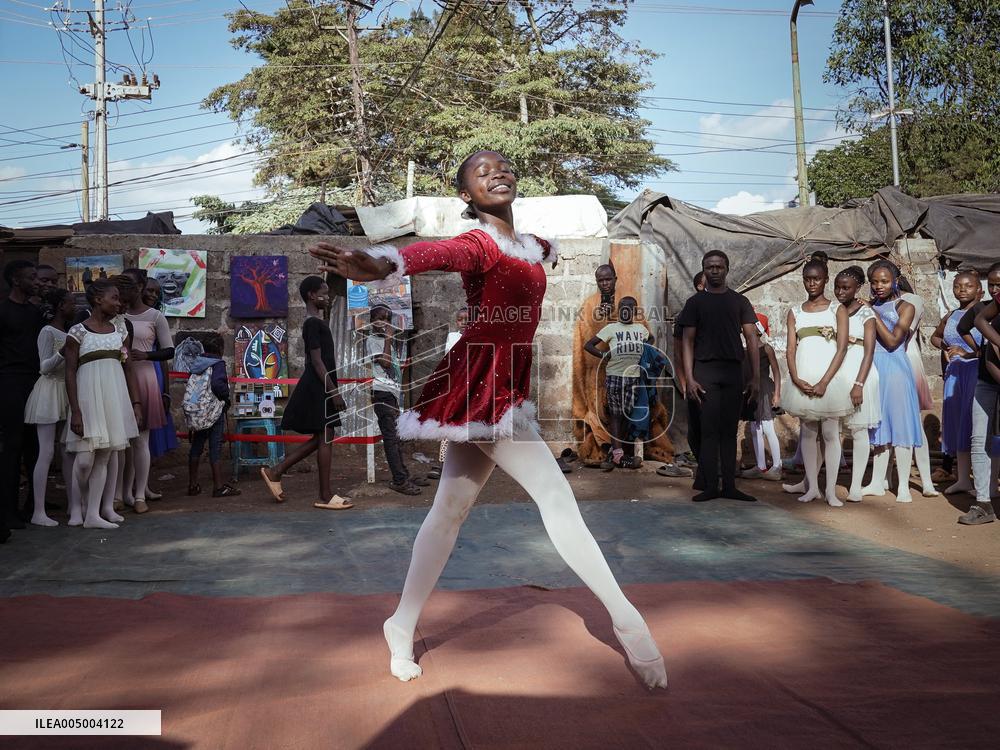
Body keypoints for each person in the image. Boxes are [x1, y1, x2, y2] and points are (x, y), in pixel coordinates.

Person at [309, 149, 667, 689]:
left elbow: (539, 256)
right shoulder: (479, 242)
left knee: (449, 511)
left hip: (502, 380)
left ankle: (400, 624)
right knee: (554, 497)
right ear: (465, 195)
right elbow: (437, 251)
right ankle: (627, 621)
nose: (495, 173)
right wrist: (384, 263)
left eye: (502, 166)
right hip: (482, 381)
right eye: (480, 172)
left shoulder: (531, 247)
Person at [260, 276, 352, 510]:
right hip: (319, 386)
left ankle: (276, 471)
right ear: (311, 295)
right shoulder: (312, 323)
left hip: (321, 385)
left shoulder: (317, 322)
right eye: (324, 292)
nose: (328, 296)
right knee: (325, 437)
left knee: (321, 438)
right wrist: (334, 392)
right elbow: (317, 362)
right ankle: (325, 495)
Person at [572, 264, 675, 469]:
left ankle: (627, 450)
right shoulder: (589, 306)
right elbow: (583, 342)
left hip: (630, 373)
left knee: (632, 412)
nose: (605, 284)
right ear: (597, 282)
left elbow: (644, 333)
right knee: (607, 414)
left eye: (608, 279)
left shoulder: (628, 303)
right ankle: (610, 451)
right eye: (601, 281)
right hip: (600, 374)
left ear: (615, 279)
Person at [679, 250, 760, 503]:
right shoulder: (695, 303)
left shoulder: (740, 301)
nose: (714, 270)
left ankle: (730, 486)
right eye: (710, 267)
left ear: (727, 269)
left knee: (728, 431)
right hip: (705, 372)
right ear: (704, 270)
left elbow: (751, 338)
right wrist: (689, 378)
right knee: (709, 431)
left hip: (733, 371)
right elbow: (687, 341)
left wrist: (755, 376)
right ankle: (711, 485)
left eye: (719, 267)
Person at [63, 280, 142, 529]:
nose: (119, 303)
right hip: (88, 400)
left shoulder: (120, 331)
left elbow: (129, 370)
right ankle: (78, 504)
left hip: (113, 398)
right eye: (114, 298)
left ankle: (94, 514)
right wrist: (76, 410)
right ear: (98, 300)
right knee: (84, 459)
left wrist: (136, 404)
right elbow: (69, 373)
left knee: (104, 458)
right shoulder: (77, 332)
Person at [780, 254, 853, 506]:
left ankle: (831, 490)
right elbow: (790, 349)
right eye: (807, 279)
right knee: (808, 434)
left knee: (831, 433)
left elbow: (842, 348)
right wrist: (796, 378)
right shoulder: (794, 312)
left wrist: (824, 381)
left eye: (817, 279)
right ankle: (812, 487)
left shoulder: (837, 309)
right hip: (804, 377)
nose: (812, 284)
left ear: (825, 280)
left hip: (829, 379)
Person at [860, 260, 924, 503]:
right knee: (878, 427)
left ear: (895, 279)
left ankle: (904, 486)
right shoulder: (868, 305)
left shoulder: (904, 306)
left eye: (884, 281)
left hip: (896, 369)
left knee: (901, 427)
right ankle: (877, 482)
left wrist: (871, 312)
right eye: (874, 282)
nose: (879, 286)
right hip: (874, 369)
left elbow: (892, 341)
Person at [117, 271, 175, 513]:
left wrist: (146, 355)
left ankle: (140, 494)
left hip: (145, 376)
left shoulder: (155, 316)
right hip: (118, 377)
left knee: (141, 441)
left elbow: (169, 350)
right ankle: (120, 493)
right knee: (120, 442)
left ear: (139, 287)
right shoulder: (116, 315)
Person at [24, 289, 78, 526]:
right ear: (60, 306)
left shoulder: (67, 332)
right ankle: (38, 511)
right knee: (46, 451)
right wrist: (61, 352)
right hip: (48, 391)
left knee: (67, 451)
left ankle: (74, 505)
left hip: (64, 392)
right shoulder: (47, 331)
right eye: (70, 303)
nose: (74, 307)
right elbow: (44, 367)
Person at [831, 266, 881, 502]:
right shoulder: (832, 311)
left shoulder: (866, 314)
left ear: (858, 288)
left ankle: (856, 486)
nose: (840, 291)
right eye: (837, 287)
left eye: (846, 287)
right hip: (836, 374)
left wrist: (859, 383)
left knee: (859, 430)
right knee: (830, 428)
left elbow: (869, 352)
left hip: (860, 373)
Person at [0, 260, 43, 540]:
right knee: (12, 447)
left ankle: (33, 507)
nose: (37, 281)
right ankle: (7, 511)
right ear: (16, 280)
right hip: (9, 382)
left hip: (34, 381)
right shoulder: (2, 310)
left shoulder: (35, 312)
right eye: (31, 277)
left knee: (35, 446)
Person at [955, 262, 1000, 524]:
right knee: (979, 437)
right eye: (992, 284)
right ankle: (983, 502)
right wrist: (993, 343)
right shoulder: (988, 306)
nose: (995, 289)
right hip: (987, 380)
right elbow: (980, 321)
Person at [367, 303, 428, 495]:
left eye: (387, 320)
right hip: (382, 393)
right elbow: (384, 362)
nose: (384, 323)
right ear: (372, 322)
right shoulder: (372, 341)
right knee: (391, 438)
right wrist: (388, 339)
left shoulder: (387, 342)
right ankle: (399, 480)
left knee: (396, 437)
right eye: (380, 319)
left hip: (391, 394)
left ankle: (403, 474)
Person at [931, 271, 982, 496]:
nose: (962, 290)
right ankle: (962, 479)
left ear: (979, 289)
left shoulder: (984, 312)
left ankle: (981, 479)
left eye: (968, 286)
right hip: (954, 373)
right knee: (957, 424)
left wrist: (967, 352)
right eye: (958, 286)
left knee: (974, 424)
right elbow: (935, 337)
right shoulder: (951, 314)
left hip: (976, 372)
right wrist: (947, 349)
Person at [584, 296, 650, 471]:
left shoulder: (640, 329)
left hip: (633, 377)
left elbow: (650, 340)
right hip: (615, 376)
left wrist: (644, 353)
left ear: (635, 311)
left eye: (630, 307)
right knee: (615, 414)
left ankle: (615, 454)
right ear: (618, 310)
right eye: (622, 307)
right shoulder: (611, 328)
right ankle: (619, 455)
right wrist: (603, 356)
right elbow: (589, 345)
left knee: (625, 414)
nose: (626, 310)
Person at [185, 335, 240, 498]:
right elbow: (217, 384)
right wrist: (225, 398)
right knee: (215, 446)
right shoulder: (218, 364)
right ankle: (218, 486)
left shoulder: (197, 363)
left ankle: (193, 485)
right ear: (221, 350)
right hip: (213, 410)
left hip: (198, 411)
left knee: (197, 445)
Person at [740, 314, 782, 481]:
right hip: (750, 390)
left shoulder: (766, 349)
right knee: (754, 427)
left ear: (758, 329)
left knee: (767, 426)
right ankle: (761, 466)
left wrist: (777, 393)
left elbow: (777, 372)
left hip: (764, 390)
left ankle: (777, 466)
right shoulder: (743, 350)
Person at [143, 277, 179, 468]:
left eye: (157, 292)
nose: (153, 295)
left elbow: (164, 356)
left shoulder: (157, 317)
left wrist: (166, 389)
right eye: (149, 290)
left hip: (153, 371)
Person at [671, 271, 706, 468]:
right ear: (700, 286)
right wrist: (684, 381)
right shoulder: (687, 313)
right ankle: (703, 465)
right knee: (697, 424)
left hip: (718, 374)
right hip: (696, 376)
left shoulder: (726, 306)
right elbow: (678, 351)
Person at [430, 308, 470, 480]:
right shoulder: (453, 337)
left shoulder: (477, 338)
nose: (464, 322)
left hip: (472, 387)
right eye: (460, 319)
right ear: (456, 321)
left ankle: (470, 464)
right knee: (448, 424)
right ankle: (443, 463)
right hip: (454, 387)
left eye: (467, 319)